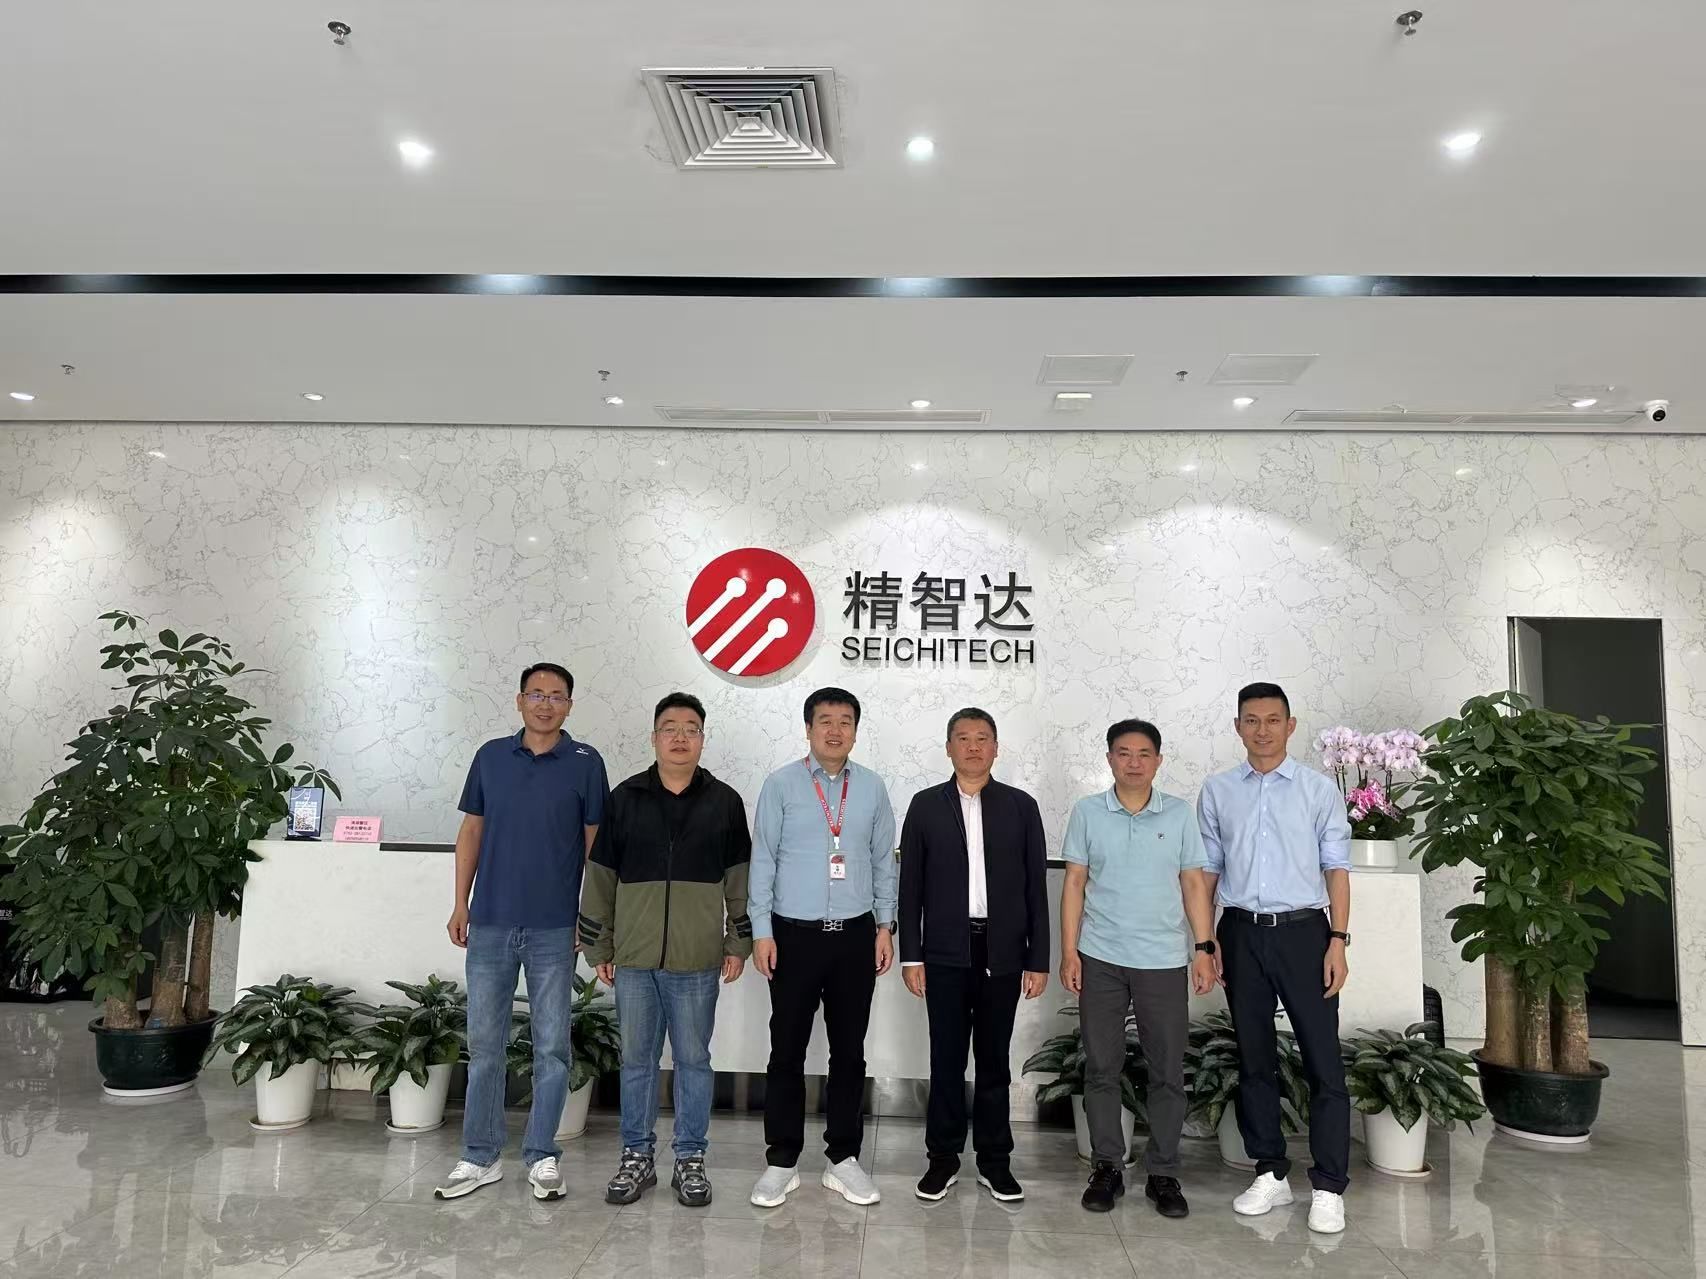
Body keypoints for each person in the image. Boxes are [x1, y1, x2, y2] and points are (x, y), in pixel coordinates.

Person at [436, 663, 609, 1202]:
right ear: (519, 701)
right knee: (485, 1045)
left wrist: (589, 916)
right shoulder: (491, 757)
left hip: (555, 927)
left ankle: (541, 1155)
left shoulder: (586, 763)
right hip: (489, 922)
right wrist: (460, 903)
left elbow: (595, 845)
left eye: (557, 696)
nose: (545, 704)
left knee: (551, 1047)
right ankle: (479, 1155)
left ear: (569, 706)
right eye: (536, 694)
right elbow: (471, 831)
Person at [578, 692, 752, 1208]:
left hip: (697, 959)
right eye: (670, 728)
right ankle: (636, 1157)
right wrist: (599, 944)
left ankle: (690, 1159)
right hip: (633, 958)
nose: (680, 737)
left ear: (702, 738)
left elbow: (740, 880)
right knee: (637, 1061)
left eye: (690, 728)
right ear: (654, 737)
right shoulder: (625, 797)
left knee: (694, 1060)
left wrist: (738, 941)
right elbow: (600, 877)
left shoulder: (725, 801)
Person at [1197, 681, 1353, 1235]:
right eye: (1251, 720)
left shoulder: (1317, 790)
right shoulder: (1218, 791)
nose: (1261, 730)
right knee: (1254, 1058)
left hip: (1305, 933)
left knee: (1322, 1060)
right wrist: (1205, 943)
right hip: (1239, 932)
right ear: (1237, 726)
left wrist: (1338, 940)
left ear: (1290, 725)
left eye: (1272, 720)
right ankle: (1270, 1171)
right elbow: (1208, 871)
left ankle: (1329, 1185)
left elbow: (1336, 869)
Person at [747, 687, 897, 1209]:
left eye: (845, 721)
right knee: (786, 1048)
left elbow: (883, 861)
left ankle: (843, 1158)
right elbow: (763, 859)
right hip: (792, 935)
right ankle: (782, 1160)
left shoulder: (872, 787)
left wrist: (885, 926)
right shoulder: (781, 785)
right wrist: (761, 930)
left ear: (855, 730)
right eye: (825, 720)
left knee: (849, 1051)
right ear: (809, 728)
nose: (835, 730)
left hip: (855, 935)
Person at [1060, 719, 1217, 1216]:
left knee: (1167, 1071)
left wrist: (1204, 947)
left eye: (1143, 753)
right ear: (1109, 759)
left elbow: (1193, 884)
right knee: (1102, 1067)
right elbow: (1074, 883)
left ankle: (1164, 1173)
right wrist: (1069, 951)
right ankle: (1107, 1166)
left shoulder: (1179, 813)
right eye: (1123, 753)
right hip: (1101, 957)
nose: (1133, 762)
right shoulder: (1088, 812)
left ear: (1158, 761)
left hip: (1164, 960)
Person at [898, 708, 1049, 1204]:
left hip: (1002, 951)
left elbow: (1035, 889)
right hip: (944, 952)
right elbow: (910, 887)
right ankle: (941, 1160)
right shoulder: (925, 805)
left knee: (993, 1060)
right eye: (963, 738)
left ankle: (994, 1161)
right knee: (945, 1059)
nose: (973, 747)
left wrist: (1038, 958)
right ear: (949, 748)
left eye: (983, 738)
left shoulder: (1020, 807)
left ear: (996, 748)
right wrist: (911, 956)